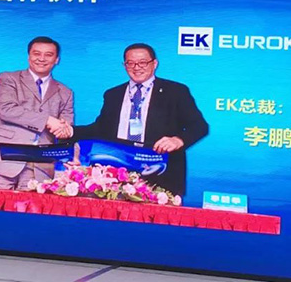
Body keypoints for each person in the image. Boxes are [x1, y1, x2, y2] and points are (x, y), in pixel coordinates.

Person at [71, 43, 208, 196]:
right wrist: (70, 131)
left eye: (143, 62)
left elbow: (199, 126)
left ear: (154, 64)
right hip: (117, 175)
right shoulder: (113, 94)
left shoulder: (175, 91)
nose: (136, 67)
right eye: (130, 63)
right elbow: (100, 129)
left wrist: (178, 140)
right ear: (124, 65)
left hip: (160, 174)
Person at [0, 36, 73, 190]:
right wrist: (47, 120)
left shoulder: (65, 92)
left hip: (40, 166)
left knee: (29, 205)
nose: (41, 59)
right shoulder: (8, 78)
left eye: (48, 55)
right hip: (2, 158)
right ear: (28, 56)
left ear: (57, 59)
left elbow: (65, 127)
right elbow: (6, 110)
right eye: (36, 54)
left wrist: (66, 131)